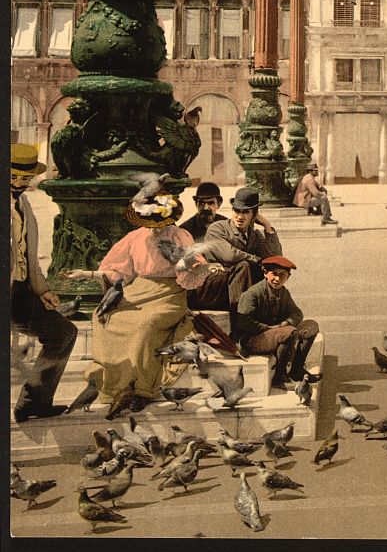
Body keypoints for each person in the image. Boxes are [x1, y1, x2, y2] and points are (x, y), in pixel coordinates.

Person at [64, 189, 212, 411]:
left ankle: (140, 387)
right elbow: (118, 270)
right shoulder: (135, 237)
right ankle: (113, 383)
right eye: (150, 222)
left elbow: (194, 266)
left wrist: (191, 264)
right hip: (138, 290)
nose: (154, 227)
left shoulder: (179, 236)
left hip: (169, 294)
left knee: (145, 325)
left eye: (159, 222)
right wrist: (87, 274)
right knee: (105, 316)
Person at [10, 143, 78, 423]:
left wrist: (43, 289)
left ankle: (32, 402)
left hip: (21, 291)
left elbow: (28, 254)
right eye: (13, 176)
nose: (19, 183)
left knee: (63, 333)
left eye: (25, 178)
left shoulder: (23, 204)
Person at [193, 187, 285, 335]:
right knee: (244, 266)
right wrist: (255, 258)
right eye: (237, 211)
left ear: (254, 215)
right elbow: (229, 255)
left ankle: (264, 320)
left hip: (234, 288)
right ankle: (240, 331)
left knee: (260, 271)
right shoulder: (217, 228)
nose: (240, 216)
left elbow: (275, 259)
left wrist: (268, 226)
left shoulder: (254, 235)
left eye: (245, 212)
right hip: (208, 289)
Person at [235, 256, 320, 388]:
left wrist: (285, 323)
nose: (277, 279)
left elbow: (297, 313)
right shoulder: (252, 294)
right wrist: (269, 328)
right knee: (289, 332)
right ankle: (279, 378)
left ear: (288, 277)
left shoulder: (283, 292)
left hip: (275, 334)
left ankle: (296, 370)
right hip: (252, 339)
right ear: (265, 273)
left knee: (311, 326)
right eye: (274, 274)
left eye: (283, 275)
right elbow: (243, 321)